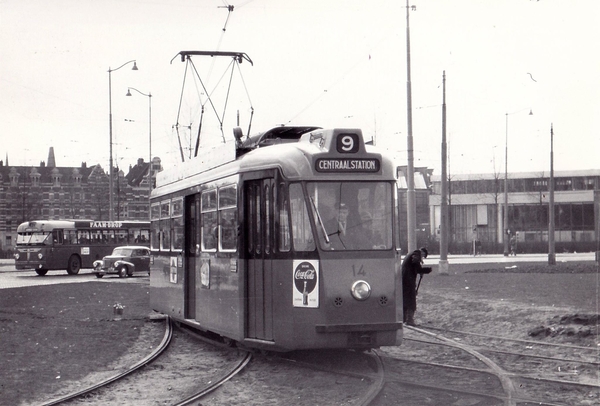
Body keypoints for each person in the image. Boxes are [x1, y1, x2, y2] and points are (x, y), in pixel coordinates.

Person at [402, 247, 432, 326]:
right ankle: (410, 320)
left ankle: (403, 319)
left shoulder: (411, 253)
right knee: (411, 300)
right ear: (422, 252)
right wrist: (427, 270)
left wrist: (420, 270)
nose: (422, 257)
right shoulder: (416, 252)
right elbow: (417, 265)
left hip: (404, 279)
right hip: (408, 281)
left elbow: (414, 266)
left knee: (405, 299)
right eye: (423, 256)